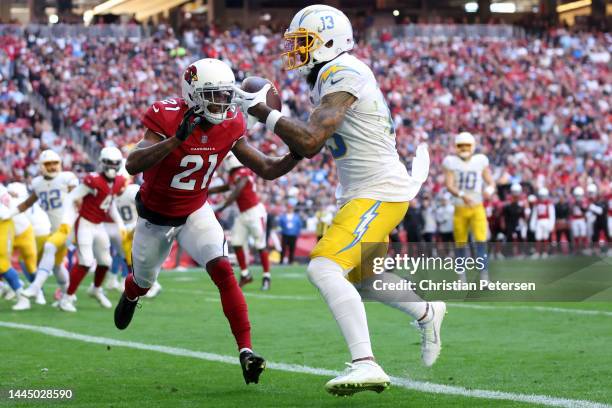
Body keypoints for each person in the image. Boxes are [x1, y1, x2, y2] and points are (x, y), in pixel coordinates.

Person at [234, 5, 445, 395]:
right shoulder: (326, 78)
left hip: (378, 192)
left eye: (304, 43)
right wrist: (252, 138)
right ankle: (428, 311)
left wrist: (262, 112)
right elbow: (293, 153)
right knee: (364, 279)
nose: (296, 51)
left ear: (330, 41)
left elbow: (312, 142)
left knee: (324, 269)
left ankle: (365, 363)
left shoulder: (342, 71)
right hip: (363, 193)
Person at [114, 58, 301, 385]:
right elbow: (132, 164)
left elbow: (267, 168)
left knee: (223, 270)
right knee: (143, 281)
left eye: (226, 95)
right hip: (155, 218)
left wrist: (298, 152)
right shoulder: (167, 114)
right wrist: (174, 140)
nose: (222, 102)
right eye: (213, 95)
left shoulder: (230, 123)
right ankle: (130, 293)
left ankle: (246, 352)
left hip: (194, 211)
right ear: (194, 94)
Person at [57, 147, 127, 312]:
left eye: (115, 164)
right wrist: (67, 221)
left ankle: (95, 289)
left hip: (99, 225)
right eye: (109, 163)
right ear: (102, 163)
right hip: (85, 224)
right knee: (86, 262)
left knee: (106, 262)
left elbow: (110, 205)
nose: (112, 166)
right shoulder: (93, 179)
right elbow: (71, 196)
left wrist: (120, 223)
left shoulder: (118, 182)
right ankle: (66, 298)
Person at [18, 150, 77, 308]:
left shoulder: (67, 178)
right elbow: (27, 203)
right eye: (48, 164)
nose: (52, 167)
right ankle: (68, 297)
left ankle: (35, 287)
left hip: (68, 226)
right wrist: (10, 212)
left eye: (54, 163)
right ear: (41, 166)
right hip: (55, 229)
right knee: (57, 266)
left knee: (49, 247)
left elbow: (78, 199)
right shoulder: (37, 183)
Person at [210, 152, 271, 290]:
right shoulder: (232, 175)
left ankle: (266, 276)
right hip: (242, 214)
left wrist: (222, 206)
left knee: (260, 245)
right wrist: (205, 191)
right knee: (237, 243)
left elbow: (237, 191)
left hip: (254, 212)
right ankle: (245, 274)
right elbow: (224, 187)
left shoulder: (244, 171)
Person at [443, 132, 496, 282]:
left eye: (467, 145)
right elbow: (449, 185)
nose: (464, 148)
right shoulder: (451, 162)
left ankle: (484, 277)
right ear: (456, 147)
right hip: (460, 207)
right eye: (461, 145)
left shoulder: (480, 161)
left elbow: (491, 183)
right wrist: (462, 195)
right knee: (460, 244)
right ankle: (461, 278)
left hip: (477, 207)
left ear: (472, 146)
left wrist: (489, 191)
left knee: (481, 241)